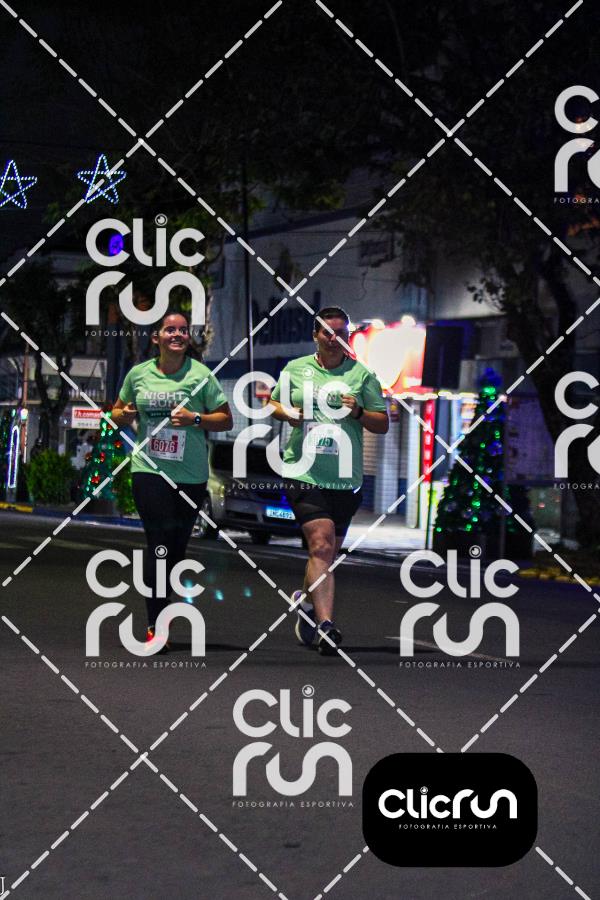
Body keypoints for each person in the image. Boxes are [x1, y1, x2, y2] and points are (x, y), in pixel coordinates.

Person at [268, 306, 389, 655]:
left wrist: (358, 411)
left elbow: (382, 422)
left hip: (345, 478)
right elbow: (274, 403)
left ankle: (307, 604)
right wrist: (289, 413)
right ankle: (325, 627)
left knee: (325, 554)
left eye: (341, 333)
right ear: (315, 335)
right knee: (321, 545)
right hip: (303, 472)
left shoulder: (362, 375)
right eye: (327, 332)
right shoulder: (295, 369)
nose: (334, 339)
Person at [111, 310, 233, 645]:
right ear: (156, 338)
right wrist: (125, 414)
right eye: (169, 330)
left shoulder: (201, 375)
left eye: (182, 330)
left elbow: (225, 419)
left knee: (176, 550)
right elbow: (116, 413)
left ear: (187, 338)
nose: (177, 334)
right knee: (160, 543)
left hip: (191, 476)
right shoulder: (139, 374)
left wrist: (196, 419)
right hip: (149, 470)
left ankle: (161, 605)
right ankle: (156, 625)